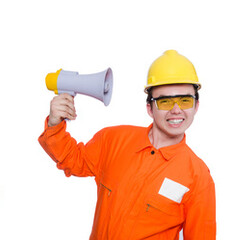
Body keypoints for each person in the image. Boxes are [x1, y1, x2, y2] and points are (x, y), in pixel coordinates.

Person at [38, 50, 215, 239]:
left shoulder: (198, 177)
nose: (176, 110)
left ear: (196, 106)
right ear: (150, 107)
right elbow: (72, 160)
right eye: (165, 102)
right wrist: (55, 124)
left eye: (185, 100)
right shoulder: (113, 140)